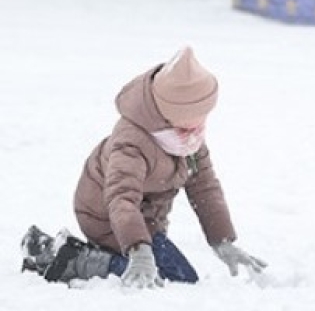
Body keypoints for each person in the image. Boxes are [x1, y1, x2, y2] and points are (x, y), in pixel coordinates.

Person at [21, 46, 266, 287]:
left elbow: (204, 187)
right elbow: (121, 199)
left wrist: (222, 241)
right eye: (198, 113)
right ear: (175, 112)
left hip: (146, 220)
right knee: (175, 278)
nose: (203, 121)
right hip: (106, 214)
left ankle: (88, 253)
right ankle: (70, 259)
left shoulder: (188, 137)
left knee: (172, 275)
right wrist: (139, 250)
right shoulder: (132, 143)